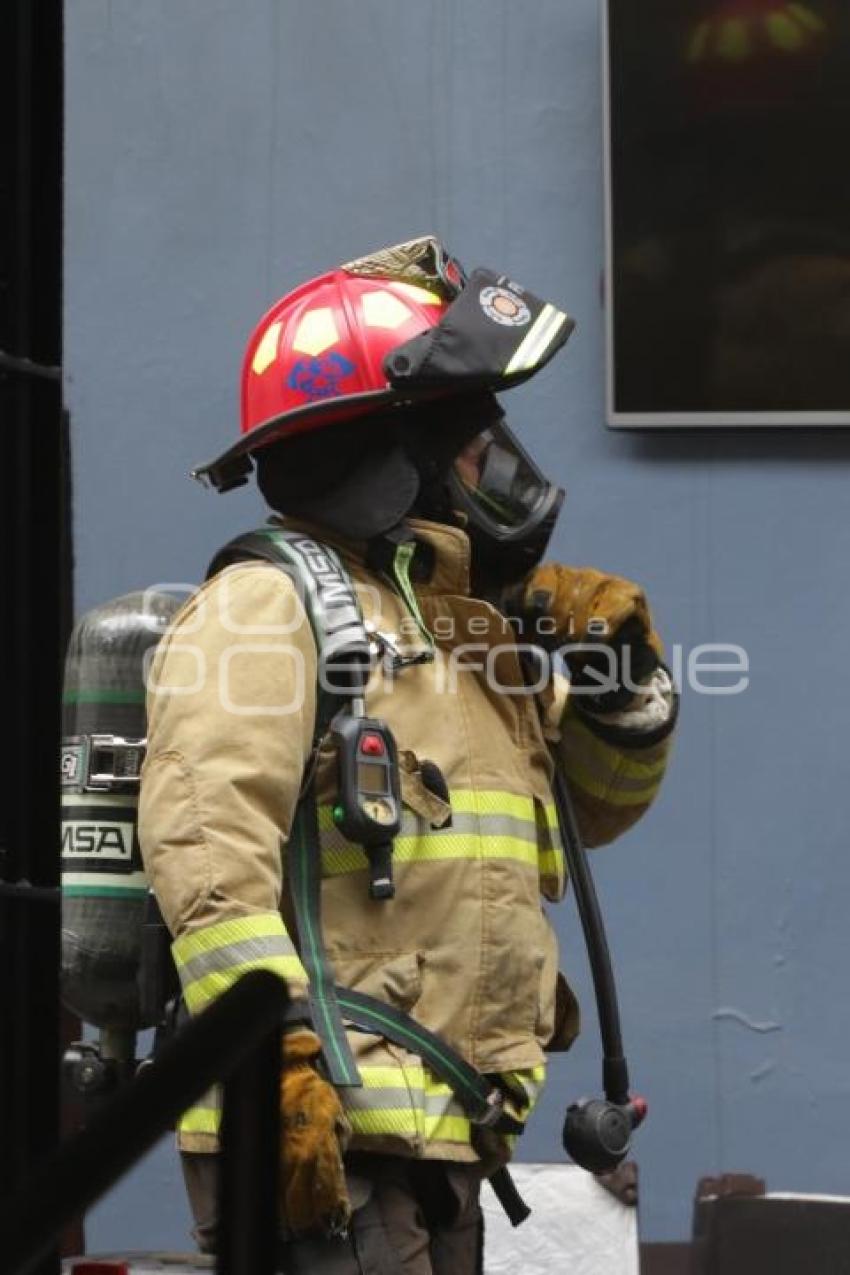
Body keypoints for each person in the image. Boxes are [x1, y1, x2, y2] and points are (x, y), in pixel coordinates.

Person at [138, 237, 678, 1274]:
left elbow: (593, 808)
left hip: (441, 1127)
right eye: (473, 446)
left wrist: (622, 684)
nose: (501, 470)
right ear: (385, 461)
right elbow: (207, 847)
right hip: (321, 1120)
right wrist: (272, 1064)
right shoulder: (265, 604)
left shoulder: (460, 629)